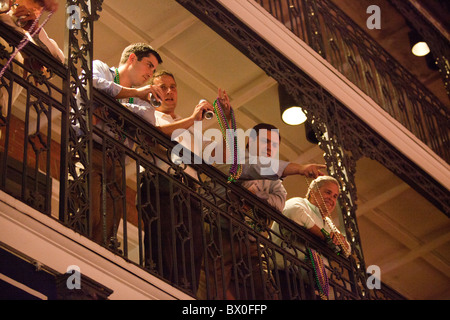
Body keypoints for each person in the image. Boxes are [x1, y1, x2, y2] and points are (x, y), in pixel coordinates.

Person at [138, 70, 216, 293]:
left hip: (189, 191)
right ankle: (159, 291)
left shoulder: (185, 124)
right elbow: (154, 135)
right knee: (163, 245)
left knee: (193, 249)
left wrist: (224, 118)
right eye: (163, 87)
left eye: (173, 87)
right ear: (154, 90)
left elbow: (203, 160)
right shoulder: (150, 113)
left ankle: (185, 295)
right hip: (161, 184)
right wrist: (192, 120)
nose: (169, 91)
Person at [86, 42, 164, 247]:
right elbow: (93, 82)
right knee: (89, 212)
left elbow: (148, 118)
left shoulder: (139, 97)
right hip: (92, 149)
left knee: (109, 224)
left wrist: (110, 107)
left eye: (154, 70)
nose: (151, 73)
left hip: (118, 161)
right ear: (131, 58)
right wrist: (133, 98)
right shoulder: (102, 68)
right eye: (149, 65)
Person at [271, 175, 351, 299]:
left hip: (309, 288)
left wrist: (343, 243)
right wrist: (325, 237)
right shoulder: (300, 202)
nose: (332, 198)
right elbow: (294, 212)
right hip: (283, 276)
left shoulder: (329, 223)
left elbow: (347, 251)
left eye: (335, 196)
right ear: (313, 193)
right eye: (328, 192)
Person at [0, 0, 64, 118]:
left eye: (42, 7)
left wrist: (35, 30)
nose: (37, 9)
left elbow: (60, 62)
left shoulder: (37, 36)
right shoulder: (4, 10)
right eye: (35, 1)